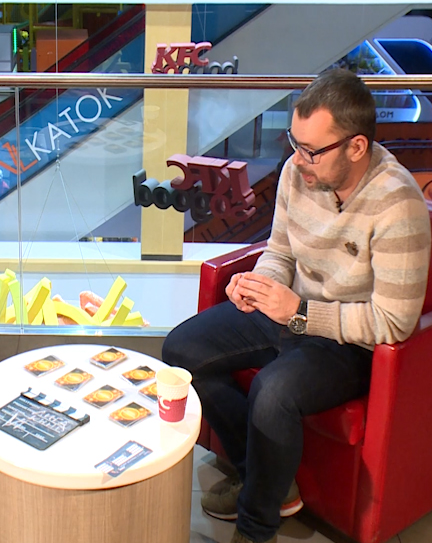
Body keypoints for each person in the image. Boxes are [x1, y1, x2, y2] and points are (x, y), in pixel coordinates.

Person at [162, 68, 431, 543]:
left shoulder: (398, 205)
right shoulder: (298, 172)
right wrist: (259, 284)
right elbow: (281, 250)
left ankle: (256, 527)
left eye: (311, 150)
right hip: (289, 312)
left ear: (356, 147)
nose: (298, 160)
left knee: (273, 393)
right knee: (182, 351)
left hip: (349, 342)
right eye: (295, 143)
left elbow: (393, 322)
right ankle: (265, 480)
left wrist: (301, 313)